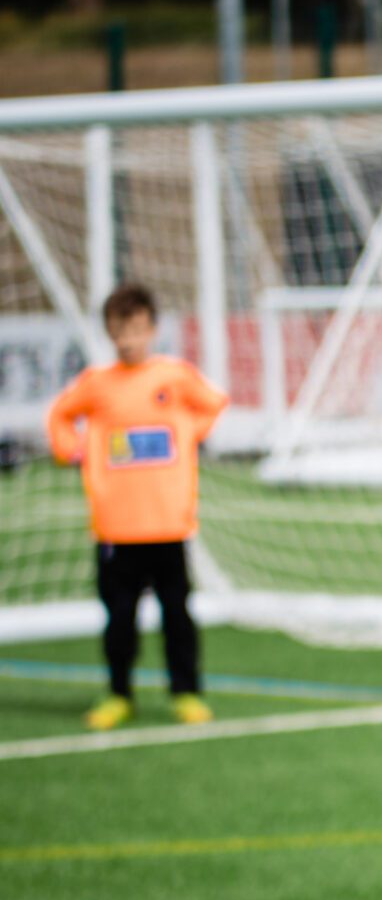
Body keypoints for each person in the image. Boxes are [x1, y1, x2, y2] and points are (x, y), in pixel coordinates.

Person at [45, 283, 229, 730]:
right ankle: (119, 692)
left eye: (135, 329)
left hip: (168, 523)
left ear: (152, 328)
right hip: (115, 527)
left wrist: (189, 432)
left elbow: (214, 404)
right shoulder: (96, 384)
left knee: (177, 615)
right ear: (109, 333)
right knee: (119, 619)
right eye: (119, 330)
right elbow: (59, 418)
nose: (128, 339)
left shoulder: (174, 377)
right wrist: (74, 450)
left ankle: (185, 692)